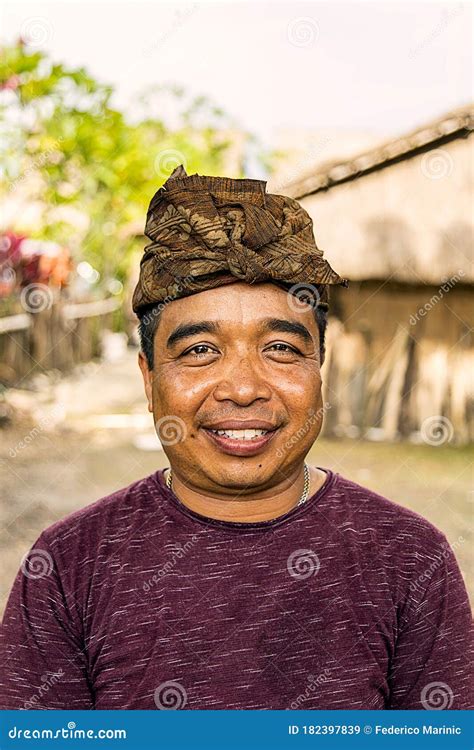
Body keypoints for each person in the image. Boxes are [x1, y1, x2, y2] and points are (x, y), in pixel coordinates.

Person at [0, 166, 472, 710]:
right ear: (149, 380)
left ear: (320, 369)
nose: (244, 388)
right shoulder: (66, 566)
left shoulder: (410, 558)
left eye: (281, 349)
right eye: (200, 350)